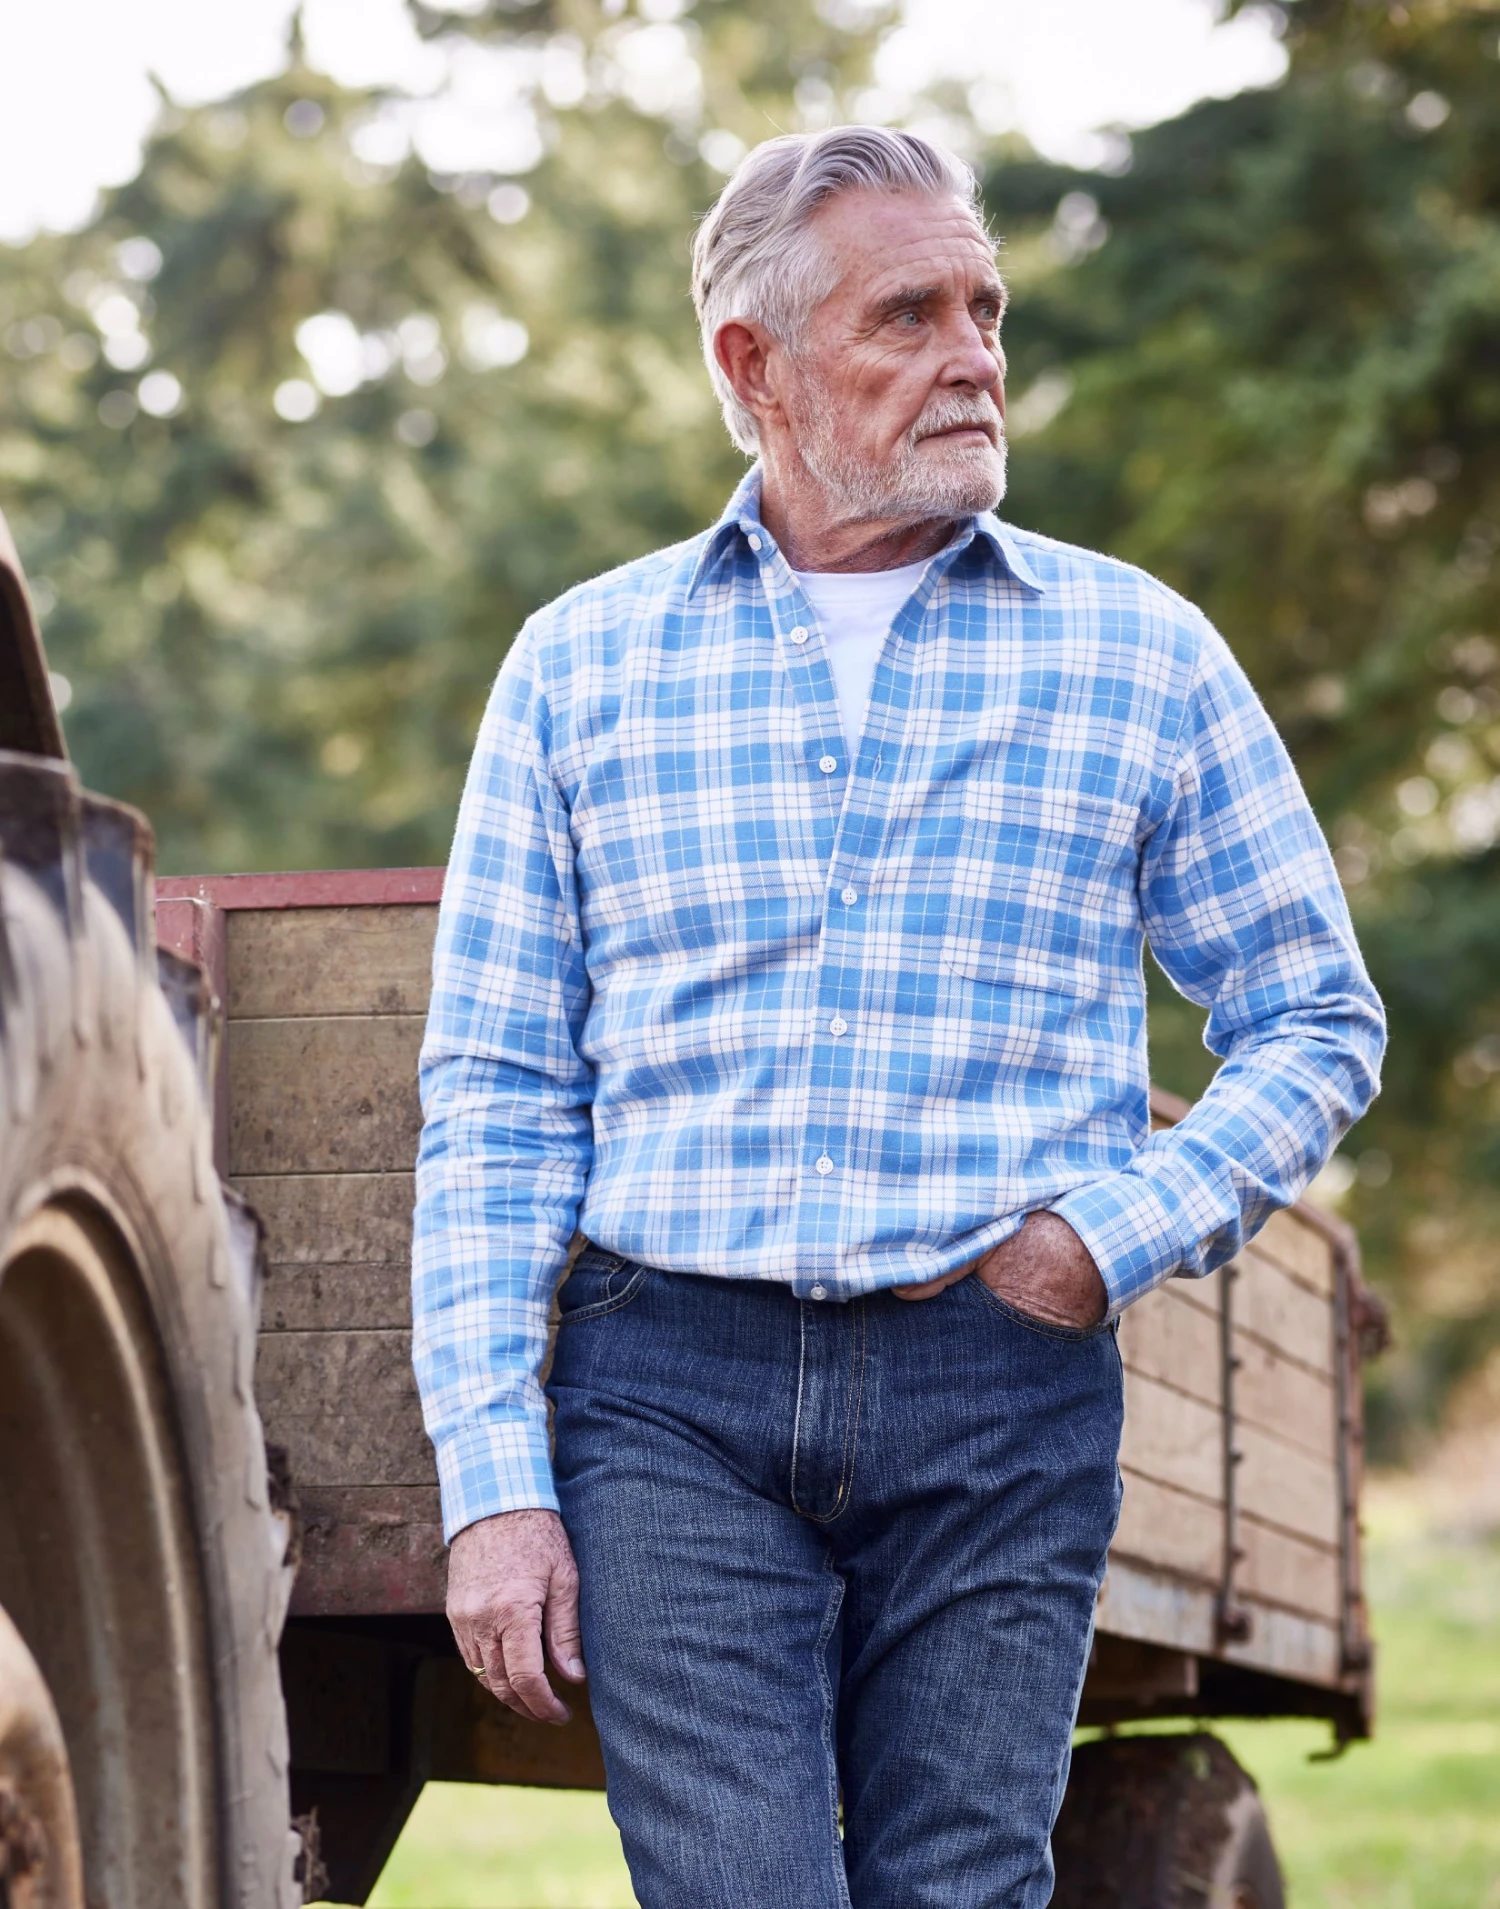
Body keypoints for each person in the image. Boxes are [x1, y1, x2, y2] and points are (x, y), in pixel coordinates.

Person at [412, 125, 1385, 1908]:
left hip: (999, 1386)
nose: (976, 357)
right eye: (909, 314)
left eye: (987, 309)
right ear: (753, 368)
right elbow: (494, 1096)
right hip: (668, 1396)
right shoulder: (579, 662)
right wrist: (494, 1483)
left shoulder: (1139, 651)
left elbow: (1317, 1015)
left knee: (961, 1891)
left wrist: (1099, 1244)